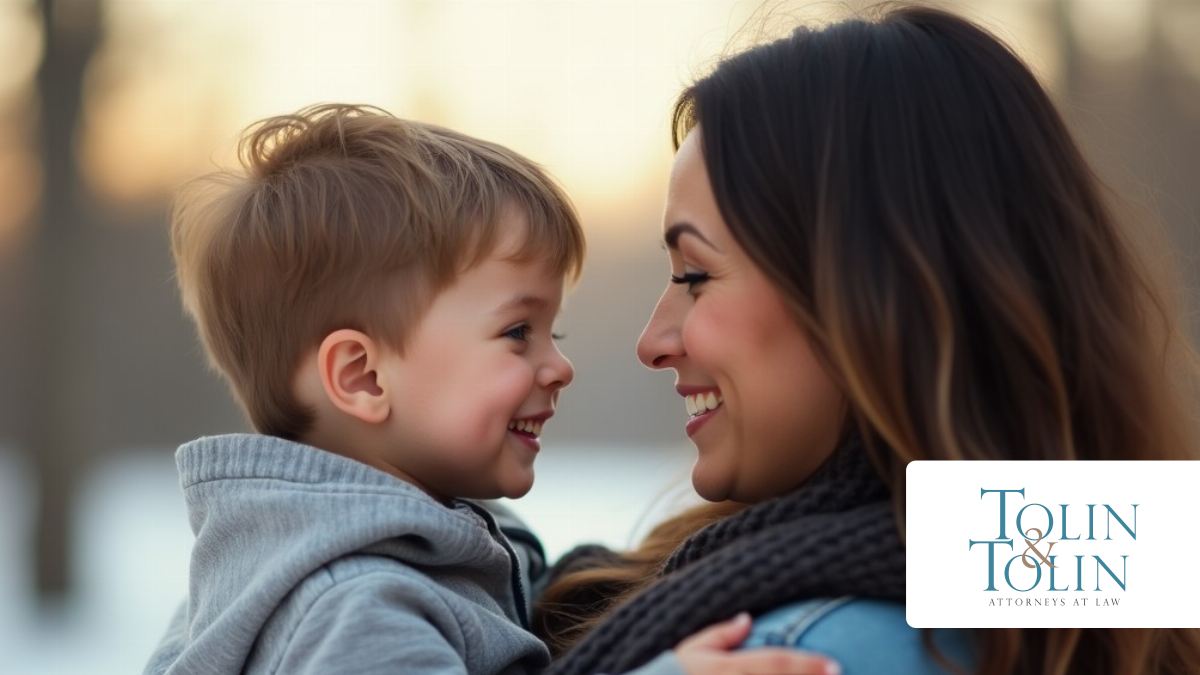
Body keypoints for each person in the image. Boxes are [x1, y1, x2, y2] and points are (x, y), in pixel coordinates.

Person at [535, 5, 1200, 675]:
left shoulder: (796, 654)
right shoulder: (1117, 575)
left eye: (696, 274)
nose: (652, 340)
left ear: (868, 294)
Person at [144, 104, 838, 675]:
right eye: (517, 333)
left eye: (553, 334)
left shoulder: (436, 548)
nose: (558, 367)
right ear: (361, 375)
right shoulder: (353, 606)